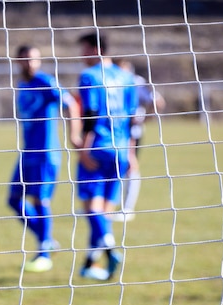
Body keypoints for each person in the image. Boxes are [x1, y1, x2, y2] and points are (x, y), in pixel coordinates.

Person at [9, 45, 82, 273]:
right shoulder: (22, 84)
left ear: (39, 61)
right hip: (27, 151)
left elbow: (70, 104)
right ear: (18, 62)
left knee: (41, 201)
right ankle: (46, 238)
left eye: (34, 60)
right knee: (14, 199)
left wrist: (74, 134)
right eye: (25, 60)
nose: (30, 64)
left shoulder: (45, 81)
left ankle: (44, 254)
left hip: (45, 153)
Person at [75, 32, 138, 281]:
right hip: (121, 150)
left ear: (95, 49)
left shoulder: (89, 76)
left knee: (92, 208)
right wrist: (131, 152)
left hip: (98, 148)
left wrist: (83, 148)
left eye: (84, 50)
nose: (81, 56)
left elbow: (89, 113)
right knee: (104, 211)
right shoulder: (127, 77)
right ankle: (90, 263)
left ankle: (111, 249)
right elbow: (134, 118)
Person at [112, 59, 166, 222]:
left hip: (131, 132)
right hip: (115, 131)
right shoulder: (113, 81)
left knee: (130, 165)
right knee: (115, 166)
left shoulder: (135, 82)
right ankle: (106, 206)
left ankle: (128, 209)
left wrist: (144, 119)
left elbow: (158, 102)